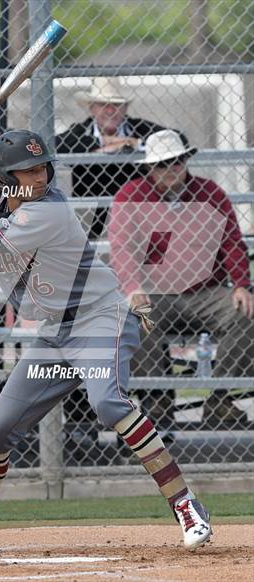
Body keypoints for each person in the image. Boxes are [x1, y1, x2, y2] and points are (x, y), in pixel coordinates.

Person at [0, 129, 212, 554]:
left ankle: (186, 503)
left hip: (99, 320)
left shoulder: (47, 210)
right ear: (4, 177)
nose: (38, 178)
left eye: (42, 168)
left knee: (108, 404)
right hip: (53, 336)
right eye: (25, 171)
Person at [108, 129, 254, 427]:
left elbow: (231, 243)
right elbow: (122, 248)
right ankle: (158, 402)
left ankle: (220, 400)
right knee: (134, 317)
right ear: (149, 167)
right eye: (162, 164)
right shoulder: (131, 195)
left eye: (177, 161)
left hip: (205, 291)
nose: (172, 169)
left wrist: (241, 284)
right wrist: (133, 288)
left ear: (186, 160)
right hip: (155, 292)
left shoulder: (210, 193)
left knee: (247, 312)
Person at [55, 76, 178, 238]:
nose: (110, 110)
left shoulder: (140, 129)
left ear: (125, 108)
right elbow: (55, 143)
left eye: (117, 104)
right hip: (92, 218)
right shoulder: (80, 132)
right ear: (91, 108)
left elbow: (178, 138)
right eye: (102, 104)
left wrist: (136, 143)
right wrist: (110, 142)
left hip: (138, 216)